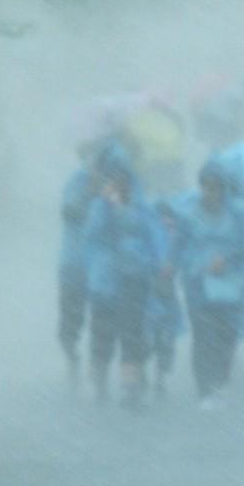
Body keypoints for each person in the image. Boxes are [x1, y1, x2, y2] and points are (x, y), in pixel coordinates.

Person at [82, 146, 167, 407]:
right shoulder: (100, 206)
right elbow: (93, 235)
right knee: (102, 334)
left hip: (134, 280)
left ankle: (130, 385)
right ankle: (99, 383)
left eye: (123, 177)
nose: (119, 182)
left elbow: (155, 239)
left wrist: (158, 266)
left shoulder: (142, 207)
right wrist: (108, 205)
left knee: (132, 333)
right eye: (114, 177)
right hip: (105, 283)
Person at [176, 162, 244, 408]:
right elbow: (179, 245)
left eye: (215, 188)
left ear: (224, 189)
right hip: (197, 285)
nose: (210, 192)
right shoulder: (188, 213)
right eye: (206, 186)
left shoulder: (241, 215)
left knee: (227, 337)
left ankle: (220, 382)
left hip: (229, 286)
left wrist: (227, 260)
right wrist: (179, 265)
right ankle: (204, 390)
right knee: (202, 337)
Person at [58, 147, 101, 391]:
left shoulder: (119, 182)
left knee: (101, 321)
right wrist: (90, 194)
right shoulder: (76, 182)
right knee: (69, 323)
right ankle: (72, 355)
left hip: (101, 269)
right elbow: (69, 212)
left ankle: (98, 364)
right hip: (73, 264)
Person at [145, 200, 187, 398]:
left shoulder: (169, 232)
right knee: (161, 333)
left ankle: (158, 371)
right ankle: (159, 372)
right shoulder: (171, 229)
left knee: (159, 333)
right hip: (158, 290)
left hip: (159, 290)